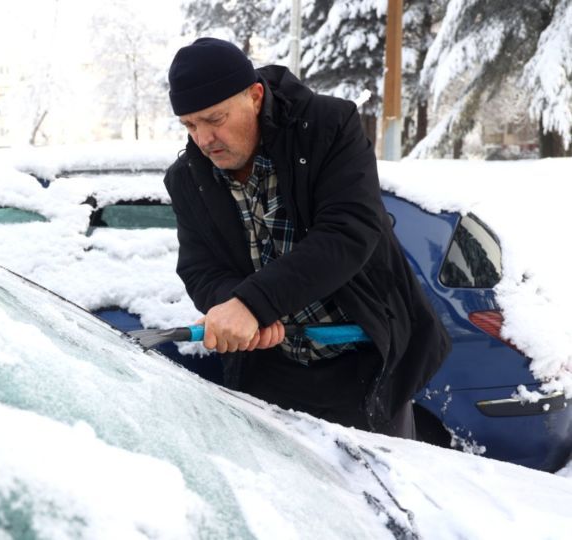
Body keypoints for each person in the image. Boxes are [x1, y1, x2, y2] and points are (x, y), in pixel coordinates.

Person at [163, 37, 451, 438]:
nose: (204, 139)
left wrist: (255, 303)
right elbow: (200, 268)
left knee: (373, 478)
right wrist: (239, 308)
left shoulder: (328, 127)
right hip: (269, 369)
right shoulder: (186, 178)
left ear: (255, 97)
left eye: (215, 119)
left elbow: (348, 231)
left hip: (362, 362)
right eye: (190, 125)